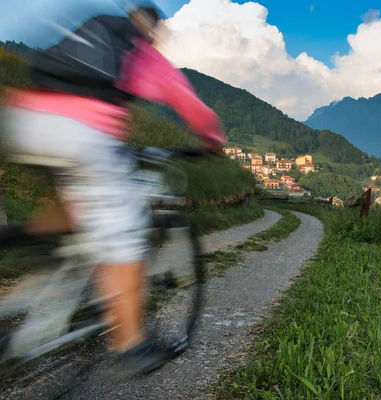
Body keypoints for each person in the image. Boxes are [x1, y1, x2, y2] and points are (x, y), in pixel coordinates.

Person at [0, 1, 226, 376]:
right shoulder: (143, 52)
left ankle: (21, 244)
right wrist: (212, 139)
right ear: (152, 30)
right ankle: (130, 344)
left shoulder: (91, 32)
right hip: (82, 139)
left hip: (27, 123)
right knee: (127, 236)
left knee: (71, 215)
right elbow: (191, 105)